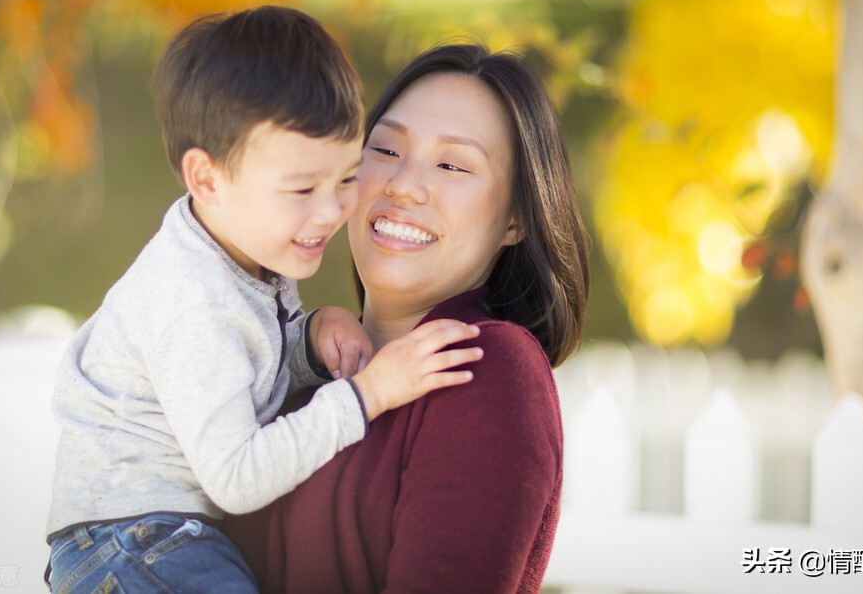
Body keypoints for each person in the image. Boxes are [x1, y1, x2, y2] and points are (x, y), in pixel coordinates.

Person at [44, 8, 481, 594]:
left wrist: (307, 342)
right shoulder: (195, 304)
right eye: (302, 189)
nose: (330, 213)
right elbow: (238, 478)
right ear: (208, 180)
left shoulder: (245, 245)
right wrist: (368, 394)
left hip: (152, 539)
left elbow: (243, 364)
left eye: (347, 178)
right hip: (133, 544)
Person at [224, 43, 590, 593]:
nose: (403, 184)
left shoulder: (481, 368)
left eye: (452, 165)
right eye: (386, 150)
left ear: (515, 217)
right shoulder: (291, 369)